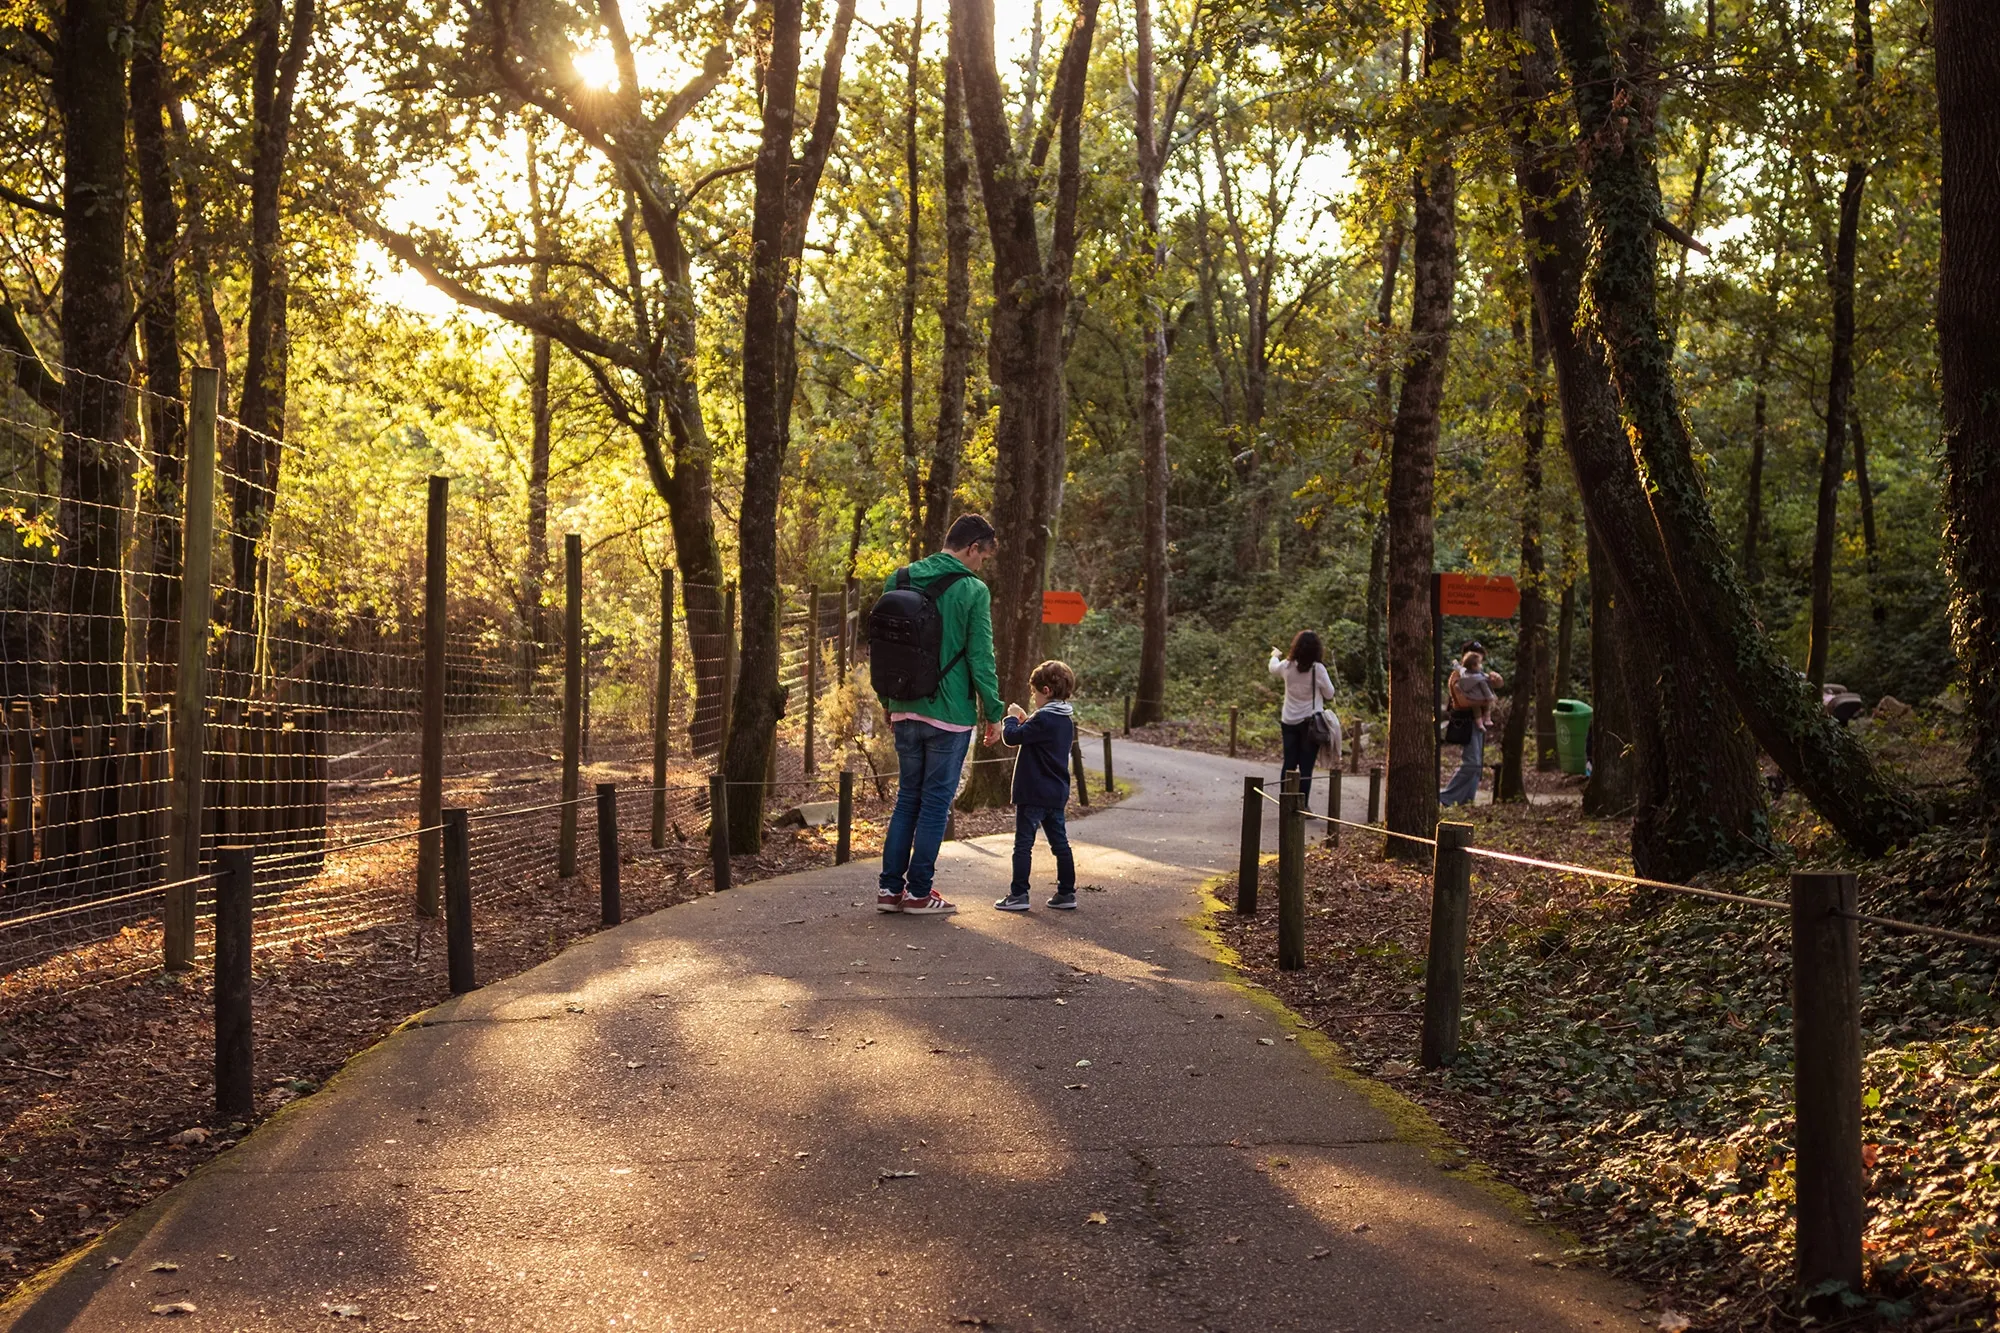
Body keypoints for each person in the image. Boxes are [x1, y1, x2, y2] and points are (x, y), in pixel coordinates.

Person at [874, 513, 1007, 915]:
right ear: (972, 548)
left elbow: (883, 649)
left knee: (906, 800)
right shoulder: (972, 590)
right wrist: (994, 713)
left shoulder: (899, 579)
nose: (981, 566)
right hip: (950, 714)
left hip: (904, 706)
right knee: (934, 804)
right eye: (982, 557)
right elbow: (981, 657)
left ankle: (889, 891)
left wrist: (888, 702)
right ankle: (919, 894)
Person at [995, 660, 1079, 912]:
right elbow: (1036, 734)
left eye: (1034, 692)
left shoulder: (1043, 718)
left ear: (1046, 691)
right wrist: (1026, 719)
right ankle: (1066, 892)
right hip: (1055, 792)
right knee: (1060, 844)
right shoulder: (1064, 720)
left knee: (1023, 844)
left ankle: (1018, 894)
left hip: (1032, 792)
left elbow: (1012, 737)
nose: (1032, 697)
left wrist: (1011, 719)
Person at [1269, 631, 1337, 802]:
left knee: (1289, 763)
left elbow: (1273, 668)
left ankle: (1285, 802)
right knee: (1306, 767)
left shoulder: (1287, 666)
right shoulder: (1318, 669)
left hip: (1288, 721)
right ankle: (1302, 804)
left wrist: (1275, 655)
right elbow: (1330, 694)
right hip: (1310, 723)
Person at [1440, 650, 1497, 807]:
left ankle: (1466, 799)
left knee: (1477, 766)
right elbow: (1463, 701)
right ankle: (1446, 797)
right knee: (1471, 763)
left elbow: (1495, 686)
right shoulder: (1458, 676)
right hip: (1466, 722)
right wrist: (1485, 701)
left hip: (1477, 722)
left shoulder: (1478, 674)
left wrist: (1496, 680)